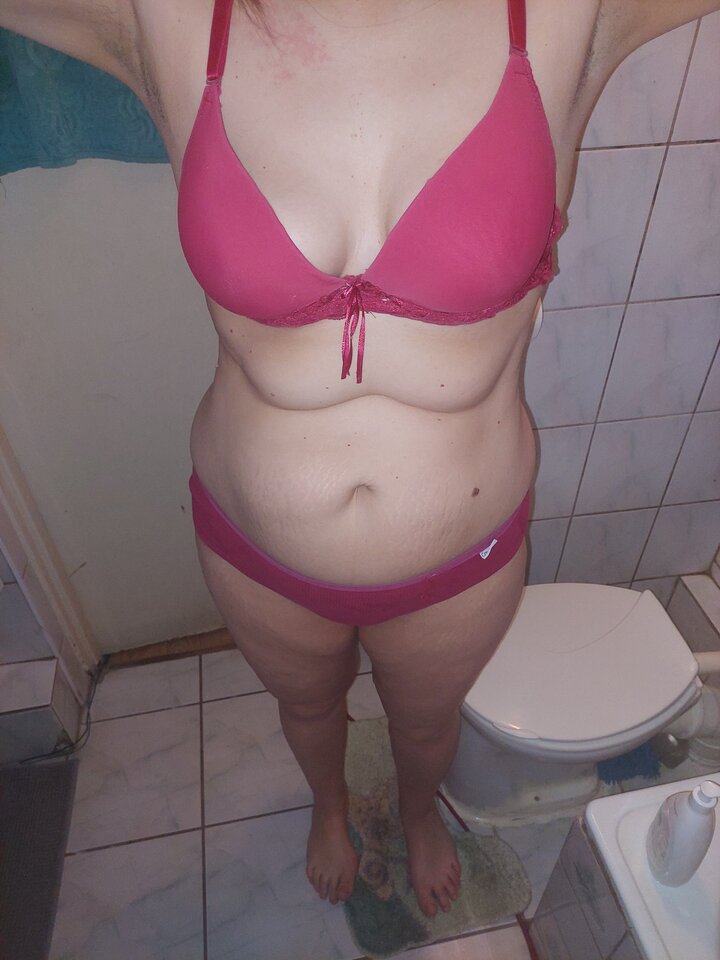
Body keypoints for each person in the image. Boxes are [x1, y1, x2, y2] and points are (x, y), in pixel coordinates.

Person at [2, 0, 716, 919]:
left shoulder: (565, 14)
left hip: (460, 555)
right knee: (307, 708)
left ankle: (418, 815)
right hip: (255, 542)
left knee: (426, 724)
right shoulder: (168, 16)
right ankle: (330, 807)